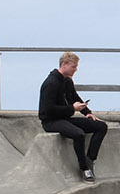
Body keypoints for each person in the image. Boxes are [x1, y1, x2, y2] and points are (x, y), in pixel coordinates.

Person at [37, 52, 107, 181]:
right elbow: (49, 110)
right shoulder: (51, 83)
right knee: (78, 134)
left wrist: (88, 113)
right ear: (64, 65)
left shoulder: (67, 81)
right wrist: (72, 108)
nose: (76, 69)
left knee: (101, 126)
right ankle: (84, 169)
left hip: (65, 118)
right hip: (51, 121)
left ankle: (90, 160)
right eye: (73, 67)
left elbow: (74, 97)